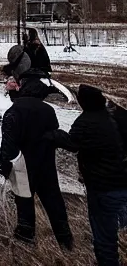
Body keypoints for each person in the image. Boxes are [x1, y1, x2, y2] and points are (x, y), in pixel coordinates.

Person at [0, 45, 73, 249]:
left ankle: (26, 235)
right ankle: (65, 241)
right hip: (46, 165)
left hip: (24, 166)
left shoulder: (13, 113)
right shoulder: (48, 111)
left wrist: (4, 163)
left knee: (24, 201)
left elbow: (9, 145)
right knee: (54, 203)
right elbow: (55, 134)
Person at [45, 85, 127, 266]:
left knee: (104, 233)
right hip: (123, 182)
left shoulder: (86, 121)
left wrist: (53, 134)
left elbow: (72, 143)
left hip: (102, 187)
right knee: (119, 221)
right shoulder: (117, 116)